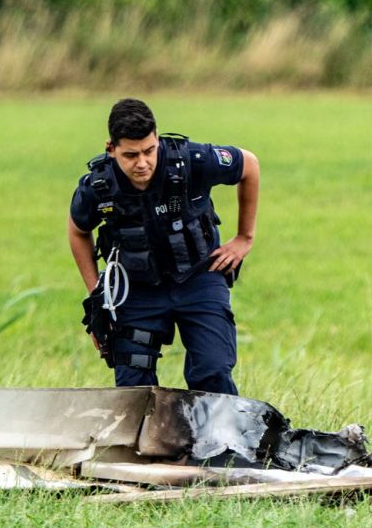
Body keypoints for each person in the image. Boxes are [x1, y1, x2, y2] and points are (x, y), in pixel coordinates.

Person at [67, 97, 260, 395]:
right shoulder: (98, 187)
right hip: (137, 290)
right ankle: (148, 442)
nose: (142, 163)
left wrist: (244, 238)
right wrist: (98, 297)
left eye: (149, 150)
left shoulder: (192, 160)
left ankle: (221, 441)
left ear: (157, 138)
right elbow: (78, 231)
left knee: (212, 373)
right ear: (111, 148)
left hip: (200, 277)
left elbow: (249, 164)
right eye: (131, 155)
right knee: (134, 388)